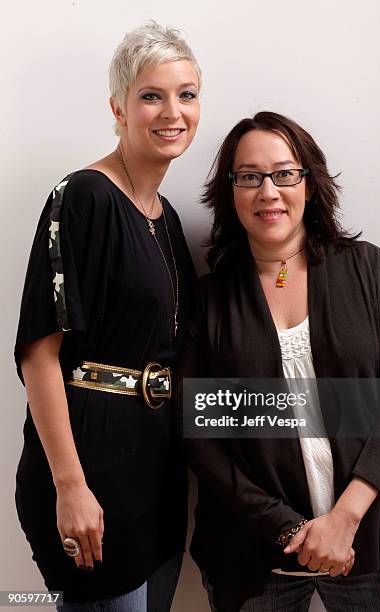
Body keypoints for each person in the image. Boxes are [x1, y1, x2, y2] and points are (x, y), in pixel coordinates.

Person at [180, 111, 380, 611]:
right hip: (255, 556)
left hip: (370, 543)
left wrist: (343, 520)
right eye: (249, 176)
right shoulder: (206, 301)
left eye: (284, 173)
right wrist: (289, 529)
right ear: (231, 192)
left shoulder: (373, 271)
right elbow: (200, 434)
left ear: (310, 184)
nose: (268, 191)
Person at [14, 21, 200, 611]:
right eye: (152, 95)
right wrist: (71, 487)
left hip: (158, 471)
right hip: (92, 468)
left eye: (186, 94)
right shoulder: (84, 197)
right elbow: (38, 353)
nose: (172, 111)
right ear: (118, 106)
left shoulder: (167, 218)